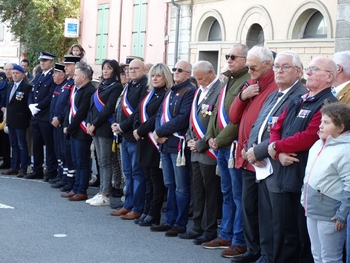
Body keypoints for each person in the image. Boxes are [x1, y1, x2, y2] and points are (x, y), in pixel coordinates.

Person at [267, 56, 338, 263]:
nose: (309, 72)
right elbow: (277, 127)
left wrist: (275, 147)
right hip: (284, 174)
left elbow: (309, 137)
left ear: (329, 76)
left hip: (304, 179)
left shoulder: (328, 104)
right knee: (286, 232)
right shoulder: (299, 98)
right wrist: (277, 151)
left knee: (303, 238)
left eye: (315, 69)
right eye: (309, 68)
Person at [244, 51, 307, 263]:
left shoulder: (299, 95)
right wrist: (250, 147)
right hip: (262, 163)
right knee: (265, 216)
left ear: (298, 71)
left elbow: (286, 132)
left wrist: (258, 152)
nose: (279, 71)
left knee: (279, 221)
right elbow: (258, 124)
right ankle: (265, 254)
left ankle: (273, 258)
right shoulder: (274, 94)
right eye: (277, 66)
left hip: (278, 165)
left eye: (285, 67)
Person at [227, 46, 278, 262]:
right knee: (248, 207)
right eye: (247, 66)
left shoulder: (275, 87)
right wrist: (241, 96)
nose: (249, 71)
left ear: (268, 65)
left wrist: (257, 150)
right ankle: (252, 249)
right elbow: (233, 116)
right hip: (246, 158)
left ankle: (265, 253)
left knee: (264, 211)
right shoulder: (251, 83)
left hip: (262, 159)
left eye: (253, 67)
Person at [202, 44, 249, 258]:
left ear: (246, 59)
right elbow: (214, 112)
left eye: (233, 57)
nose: (229, 60)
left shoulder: (246, 81)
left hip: (233, 148)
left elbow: (239, 119)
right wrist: (211, 136)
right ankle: (226, 234)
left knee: (238, 196)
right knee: (227, 193)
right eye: (227, 56)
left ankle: (238, 239)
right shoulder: (227, 80)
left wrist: (219, 140)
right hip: (220, 146)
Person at [150, 60, 195, 237]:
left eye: (180, 70)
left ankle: (179, 222)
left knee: (181, 187)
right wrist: (156, 132)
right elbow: (160, 114)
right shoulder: (171, 91)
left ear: (188, 74)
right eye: (174, 69)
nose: (175, 72)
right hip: (165, 144)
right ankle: (169, 220)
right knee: (170, 184)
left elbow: (183, 119)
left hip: (178, 146)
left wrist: (160, 131)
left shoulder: (190, 91)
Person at [300, 102, 350, 263]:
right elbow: (309, 174)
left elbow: (349, 185)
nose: (320, 126)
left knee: (330, 258)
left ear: (340, 127)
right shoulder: (317, 144)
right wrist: (304, 197)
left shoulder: (345, 150)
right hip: (312, 208)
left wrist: (342, 215)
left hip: (331, 214)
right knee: (317, 254)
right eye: (321, 121)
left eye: (326, 123)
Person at [179, 60, 222, 244]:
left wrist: (201, 144)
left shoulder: (220, 91)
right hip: (195, 149)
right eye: (196, 78)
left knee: (210, 194)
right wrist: (189, 138)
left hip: (208, 152)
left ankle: (209, 229)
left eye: (201, 78)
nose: (199, 81)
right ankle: (196, 226)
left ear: (211, 73)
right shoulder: (199, 91)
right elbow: (192, 119)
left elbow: (218, 123)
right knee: (197, 191)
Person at [132, 63, 172, 226]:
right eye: (153, 75)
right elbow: (138, 112)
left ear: (165, 78)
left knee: (156, 180)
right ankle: (146, 210)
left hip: (154, 140)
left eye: (159, 76)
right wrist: (136, 128)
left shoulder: (165, 95)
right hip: (143, 140)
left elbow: (156, 117)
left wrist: (140, 130)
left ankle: (153, 214)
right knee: (147, 178)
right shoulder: (150, 93)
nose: (155, 78)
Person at [110, 59, 149, 219]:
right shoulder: (130, 85)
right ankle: (128, 204)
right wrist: (115, 124)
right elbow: (120, 108)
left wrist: (122, 126)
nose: (131, 71)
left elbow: (138, 112)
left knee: (137, 174)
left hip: (134, 135)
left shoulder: (144, 86)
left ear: (143, 70)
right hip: (124, 135)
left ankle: (137, 207)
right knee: (128, 172)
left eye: (135, 68)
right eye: (129, 69)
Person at [85, 59, 123, 206]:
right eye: (104, 68)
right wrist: (89, 122)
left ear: (114, 71)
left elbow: (108, 109)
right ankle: (101, 191)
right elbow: (91, 106)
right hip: (94, 127)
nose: (105, 71)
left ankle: (105, 194)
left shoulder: (116, 87)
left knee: (106, 161)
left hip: (104, 127)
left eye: (109, 68)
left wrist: (93, 124)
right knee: (100, 161)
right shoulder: (101, 85)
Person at [61, 63, 95, 201]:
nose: (73, 77)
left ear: (82, 77)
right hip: (74, 130)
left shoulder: (89, 90)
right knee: (76, 162)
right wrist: (66, 124)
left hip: (81, 131)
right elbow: (69, 109)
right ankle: (76, 187)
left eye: (75, 75)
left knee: (82, 162)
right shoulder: (76, 89)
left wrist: (70, 127)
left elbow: (81, 112)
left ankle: (82, 190)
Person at [25, 51, 58, 181]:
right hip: (36, 116)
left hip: (45, 115)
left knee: (49, 146)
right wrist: (30, 105)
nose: (42, 63)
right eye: (41, 61)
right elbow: (32, 92)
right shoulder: (38, 76)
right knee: (37, 144)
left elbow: (50, 96)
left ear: (51, 62)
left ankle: (51, 172)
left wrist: (37, 106)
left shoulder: (52, 76)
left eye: (44, 61)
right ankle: (37, 170)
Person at [1, 65, 31, 177]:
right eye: (13, 73)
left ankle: (23, 168)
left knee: (21, 144)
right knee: (13, 144)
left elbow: (28, 105)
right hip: (11, 119)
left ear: (23, 74)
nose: (14, 75)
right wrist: (6, 116)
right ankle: (14, 166)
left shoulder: (26, 87)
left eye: (17, 73)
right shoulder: (10, 85)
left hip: (20, 119)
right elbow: (8, 104)